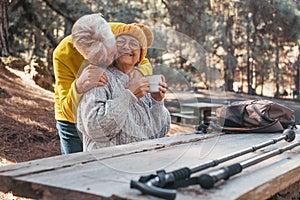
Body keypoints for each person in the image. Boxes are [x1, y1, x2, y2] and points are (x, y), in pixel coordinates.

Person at [53, 13, 153, 154]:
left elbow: (144, 62)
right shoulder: (63, 54)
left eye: (112, 54)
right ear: (81, 53)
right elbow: (67, 111)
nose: (108, 62)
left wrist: (140, 72)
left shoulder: (122, 32)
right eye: (98, 58)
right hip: (72, 123)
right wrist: (78, 87)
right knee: (73, 168)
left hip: (111, 110)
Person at [77, 24, 171, 151]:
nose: (126, 46)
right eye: (120, 42)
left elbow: (158, 133)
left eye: (134, 43)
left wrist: (157, 102)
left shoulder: (143, 81)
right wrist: (129, 95)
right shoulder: (99, 76)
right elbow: (95, 129)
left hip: (140, 162)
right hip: (106, 163)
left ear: (140, 55)